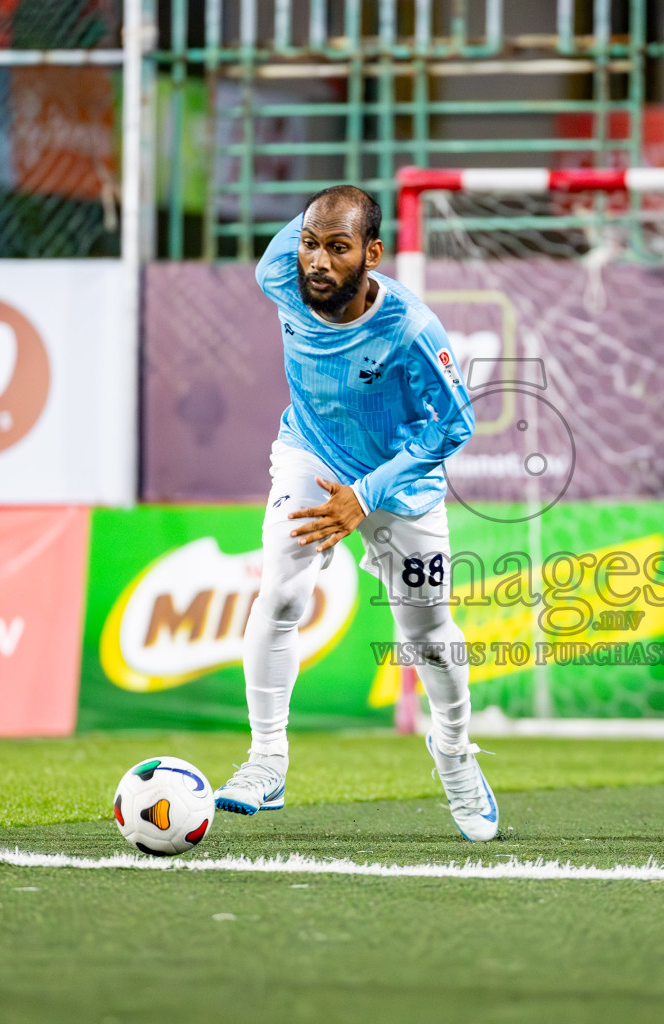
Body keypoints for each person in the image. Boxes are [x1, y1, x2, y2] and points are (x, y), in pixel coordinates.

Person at [212, 185, 498, 842]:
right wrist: (339, 488)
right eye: (311, 243)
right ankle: (266, 761)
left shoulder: (411, 328)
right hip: (311, 455)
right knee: (279, 593)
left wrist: (366, 495)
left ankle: (454, 755)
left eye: (337, 249)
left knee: (426, 634)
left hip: (398, 485)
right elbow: (310, 231)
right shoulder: (280, 279)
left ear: (371, 254)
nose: (316, 261)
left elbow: (454, 425)